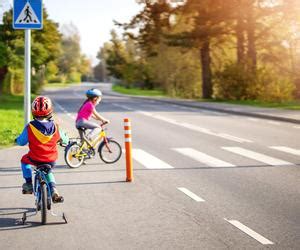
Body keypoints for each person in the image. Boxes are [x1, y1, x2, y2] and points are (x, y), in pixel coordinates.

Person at [15, 96, 69, 203]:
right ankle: (54, 190)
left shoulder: (30, 127)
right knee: (48, 170)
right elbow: (65, 140)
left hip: (34, 158)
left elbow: (21, 142)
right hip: (51, 159)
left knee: (24, 160)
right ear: (50, 111)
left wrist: (16, 140)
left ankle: (29, 184)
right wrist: (65, 141)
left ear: (33, 111)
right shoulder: (56, 127)